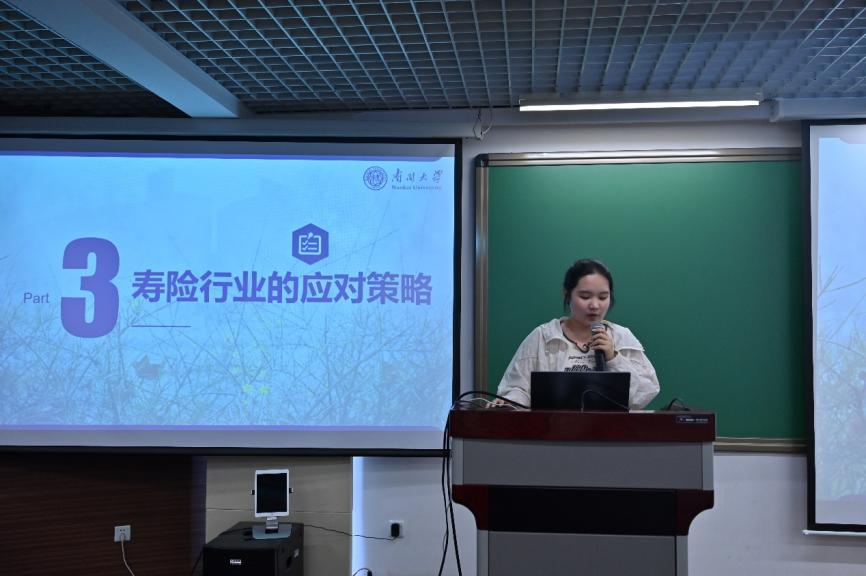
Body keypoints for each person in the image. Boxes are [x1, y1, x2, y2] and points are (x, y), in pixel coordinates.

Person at [494, 259, 659, 410]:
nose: (595, 305)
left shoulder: (622, 337)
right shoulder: (543, 336)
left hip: (610, 431)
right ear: (566, 294)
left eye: (603, 297)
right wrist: (508, 401)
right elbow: (517, 387)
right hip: (552, 429)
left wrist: (613, 358)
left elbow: (645, 393)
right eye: (585, 296)